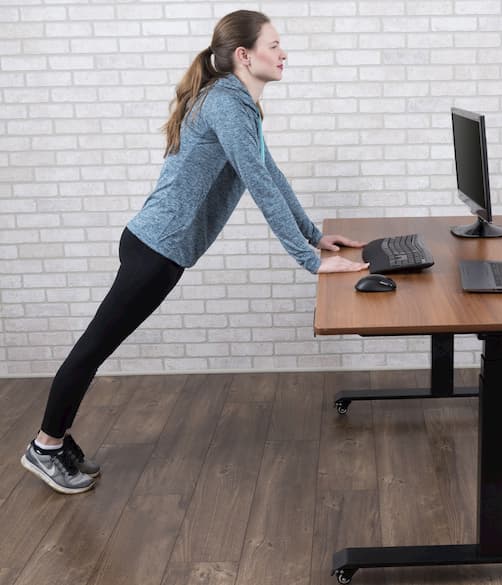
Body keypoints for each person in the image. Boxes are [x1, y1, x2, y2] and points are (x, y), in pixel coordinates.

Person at [21, 9, 368, 494]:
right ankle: (45, 446)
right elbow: (259, 185)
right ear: (245, 55)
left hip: (159, 248)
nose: (284, 53)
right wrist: (311, 261)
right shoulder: (227, 104)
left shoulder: (236, 102)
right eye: (274, 44)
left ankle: (55, 441)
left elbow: (269, 173)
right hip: (154, 249)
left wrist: (313, 235)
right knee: (94, 347)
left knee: (97, 345)